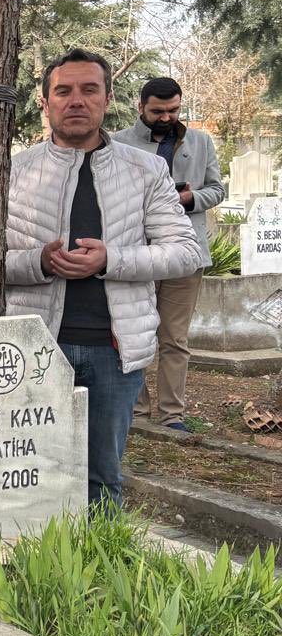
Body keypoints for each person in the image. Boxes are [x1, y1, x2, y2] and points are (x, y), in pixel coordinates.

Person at [6, 49, 201, 505]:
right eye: (63, 91)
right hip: (34, 349)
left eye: (89, 89)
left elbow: (185, 252)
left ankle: (100, 553)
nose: (76, 100)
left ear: (108, 98)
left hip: (113, 352)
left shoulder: (146, 169)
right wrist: (38, 262)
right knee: (30, 481)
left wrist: (110, 259)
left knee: (102, 481)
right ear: (45, 102)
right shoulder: (14, 171)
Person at [113, 76, 226, 429]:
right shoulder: (117, 143)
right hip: (136, 255)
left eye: (173, 110)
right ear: (141, 107)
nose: (166, 117)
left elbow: (217, 189)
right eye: (158, 111)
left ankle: (172, 414)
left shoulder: (200, 141)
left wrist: (189, 199)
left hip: (185, 254)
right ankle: (136, 411)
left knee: (174, 338)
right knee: (133, 335)